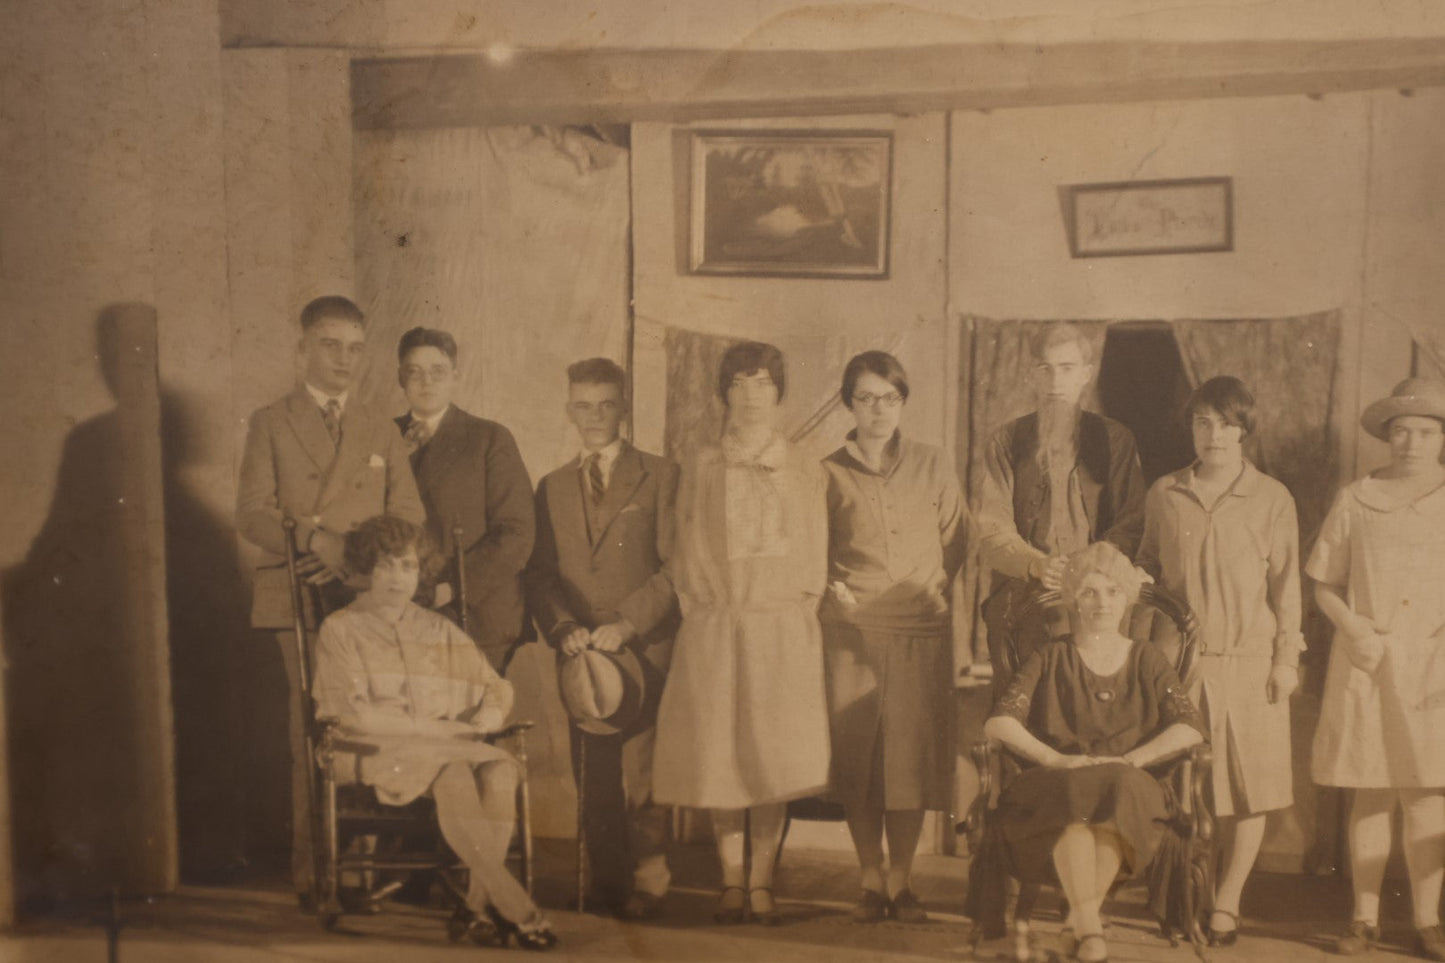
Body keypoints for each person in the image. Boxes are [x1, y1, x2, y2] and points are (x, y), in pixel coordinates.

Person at [235, 295, 424, 904]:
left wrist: (350, 551)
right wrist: (313, 539)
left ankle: (361, 868)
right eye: (329, 345)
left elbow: (409, 515)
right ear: (302, 349)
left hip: (363, 594)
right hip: (294, 591)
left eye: (354, 348)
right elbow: (252, 513)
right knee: (315, 726)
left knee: (368, 717)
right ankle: (315, 869)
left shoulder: (378, 426)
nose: (343, 359)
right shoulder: (270, 420)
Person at [311, 516, 557, 950]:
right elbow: (354, 716)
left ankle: (477, 908)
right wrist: (435, 728)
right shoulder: (342, 629)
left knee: (500, 771)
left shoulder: (438, 628)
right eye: (386, 565)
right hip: (370, 747)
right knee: (455, 773)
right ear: (367, 567)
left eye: (407, 566)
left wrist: (489, 717)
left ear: (420, 572)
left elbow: (495, 686)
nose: (397, 578)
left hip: (442, 745)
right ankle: (514, 904)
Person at [652, 341, 831, 927]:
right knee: (720, 754)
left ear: (778, 393)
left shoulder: (806, 465)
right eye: (739, 384)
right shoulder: (701, 461)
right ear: (723, 393)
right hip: (716, 626)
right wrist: (703, 603)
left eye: (761, 384)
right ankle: (730, 880)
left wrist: (795, 610)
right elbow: (683, 543)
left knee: (771, 757)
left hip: (780, 629)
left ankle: (761, 881)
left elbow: (815, 551)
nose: (751, 396)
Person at [964, 542, 1205, 963]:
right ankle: (1088, 927)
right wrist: (1057, 760)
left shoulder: (1147, 658)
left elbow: (1190, 727)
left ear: (1127, 598)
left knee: (1117, 791)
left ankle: (1080, 923)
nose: (1102, 603)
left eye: (1113, 592)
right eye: (1090, 592)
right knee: (1077, 811)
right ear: (1073, 598)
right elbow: (998, 722)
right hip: (1060, 780)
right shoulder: (1051, 654)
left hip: (1130, 783)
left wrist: (1132, 761)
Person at [1135, 376, 1302, 946]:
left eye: (1227, 423)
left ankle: (1227, 901)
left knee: (1249, 786)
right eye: (1204, 422)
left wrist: (1286, 660)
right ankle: (1186, 893)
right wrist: (1139, 661)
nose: (1215, 434)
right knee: (1181, 787)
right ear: (1191, 427)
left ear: (1245, 429)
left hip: (1249, 661)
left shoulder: (1273, 497)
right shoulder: (1165, 492)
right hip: (1178, 663)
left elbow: (1287, 589)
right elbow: (1147, 575)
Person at [525, 357, 680, 919]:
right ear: (569, 410)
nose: (595, 415)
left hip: (641, 647)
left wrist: (628, 624)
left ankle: (650, 881)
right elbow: (540, 573)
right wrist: (565, 627)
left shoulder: (662, 476)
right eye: (583, 405)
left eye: (606, 404)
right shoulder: (552, 486)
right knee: (591, 771)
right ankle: (603, 882)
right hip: (580, 655)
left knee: (641, 772)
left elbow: (677, 567)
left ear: (624, 408)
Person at [819, 351, 969, 924]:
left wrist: (924, 595)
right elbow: (817, 549)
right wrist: (837, 592)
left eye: (890, 398)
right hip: (852, 634)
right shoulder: (827, 471)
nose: (879, 409)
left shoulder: (934, 463)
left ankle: (902, 883)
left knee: (909, 762)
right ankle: (868, 880)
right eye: (866, 397)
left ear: (903, 402)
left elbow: (955, 543)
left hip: (919, 632)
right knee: (861, 760)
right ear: (848, 402)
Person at [1309, 378, 1445, 961]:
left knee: (1423, 795)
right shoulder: (1356, 497)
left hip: (1434, 666)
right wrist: (1354, 627)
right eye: (1399, 432)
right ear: (1386, 438)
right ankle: (1364, 919)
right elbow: (1322, 582)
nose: (1410, 443)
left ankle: (1426, 920)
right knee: (1370, 791)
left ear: (1441, 437)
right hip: (1367, 658)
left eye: (1424, 431)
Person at [976, 324, 1146, 692]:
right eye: (1044, 368)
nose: (1055, 381)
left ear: (1086, 374)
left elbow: (1131, 522)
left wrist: (1089, 569)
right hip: (1026, 594)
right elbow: (992, 530)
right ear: (1030, 375)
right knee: (1025, 706)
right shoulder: (1006, 441)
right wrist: (1035, 563)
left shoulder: (1116, 440)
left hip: (1097, 595)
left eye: (1067, 368)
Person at [394, 327, 535, 671]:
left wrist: (453, 587)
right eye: (414, 372)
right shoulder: (381, 436)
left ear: (455, 375)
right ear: (401, 379)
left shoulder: (489, 439)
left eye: (437, 371)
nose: (426, 382)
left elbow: (516, 533)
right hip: (398, 614)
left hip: (473, 613)